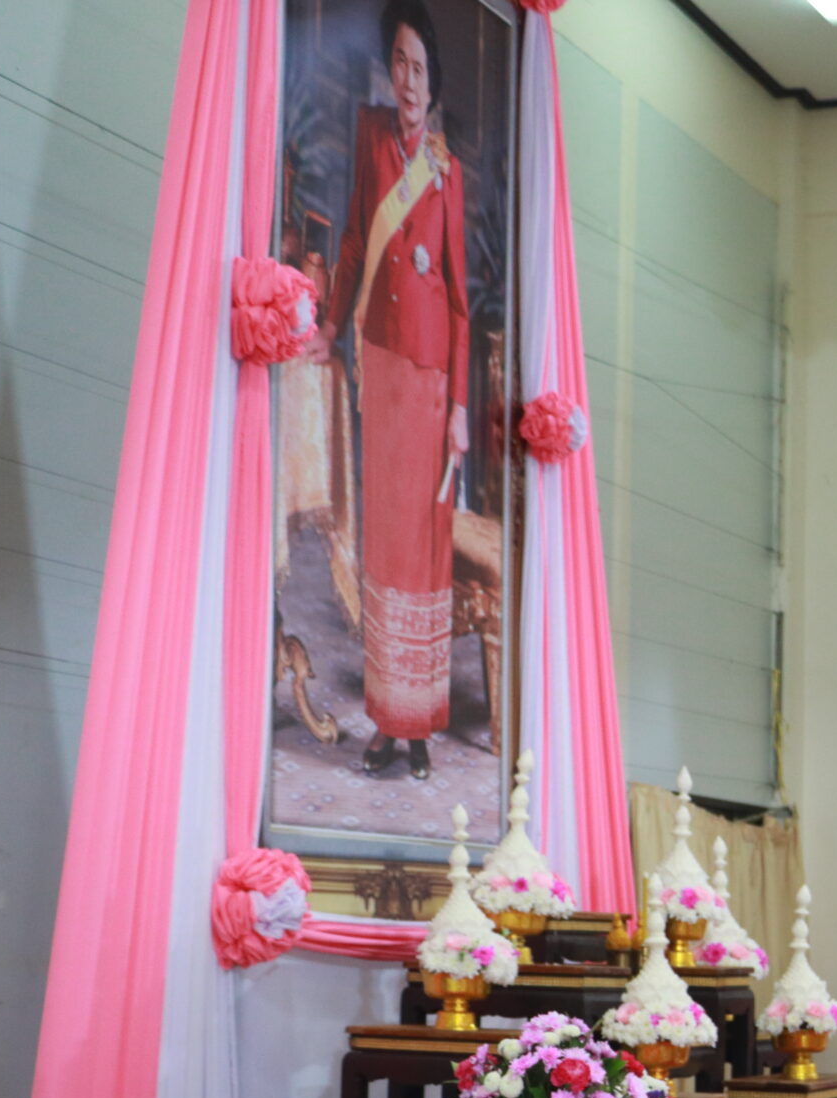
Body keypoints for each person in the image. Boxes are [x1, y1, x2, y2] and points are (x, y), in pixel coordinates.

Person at [316, 0, 469, 783]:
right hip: (381, 360)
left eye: (420, 67)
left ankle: (420, 729)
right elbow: (352, 238)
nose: (408, 80)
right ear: (390, 69)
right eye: (399, 63)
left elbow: (460, 301)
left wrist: (463, 409)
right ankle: (386, 721)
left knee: (423, 553)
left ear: (434, 81)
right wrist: (329, 323)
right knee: (386, 547)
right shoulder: (372, 135)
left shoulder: (448, 172)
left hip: (432, 380)